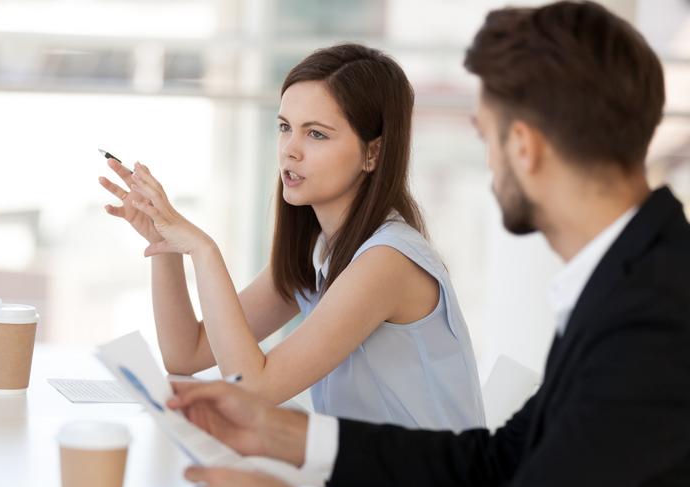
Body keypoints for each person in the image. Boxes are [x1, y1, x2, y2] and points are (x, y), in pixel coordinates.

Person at [165, 2, 690, 487]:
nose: (487, 164)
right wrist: (284, 436)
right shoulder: (627, 279)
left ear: (524, 148)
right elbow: (504, 459)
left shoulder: (652, 311)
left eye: (485, 137)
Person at [99, 43, 485, 430]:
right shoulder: (319, 250)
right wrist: (166, 245)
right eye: (285, 127)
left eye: (316, 134)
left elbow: (254, 388)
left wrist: (203, 249)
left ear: (374, 153)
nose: (289, 151)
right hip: (366, 474)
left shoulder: (388, 260)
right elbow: (185, 355)